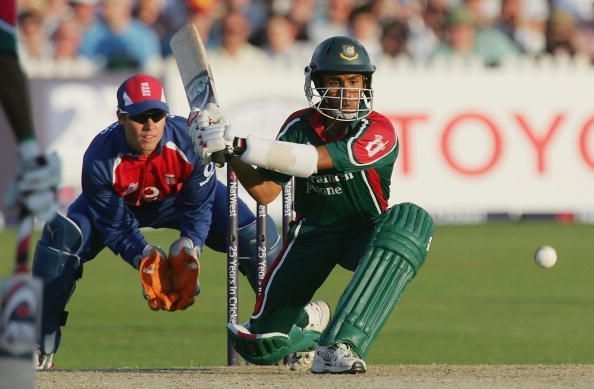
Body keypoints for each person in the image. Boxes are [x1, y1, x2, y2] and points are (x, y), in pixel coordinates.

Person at [191, 36, 434, 374]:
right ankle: (309, 320)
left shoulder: (377, 129)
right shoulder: (299, 126)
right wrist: (228, 154)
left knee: (411, 221)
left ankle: (339, 346)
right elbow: (265, 193)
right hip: (311, 235)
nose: (347, 91)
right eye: (336, 82)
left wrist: (238, 142)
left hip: (365, 234)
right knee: (260, 345)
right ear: (317, 84)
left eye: (354, 81)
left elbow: (310, 161)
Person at [30, 73, 283, 370]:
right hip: (122, 207)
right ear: (121, 117)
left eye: (156, 115)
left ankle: (285, 331)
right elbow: (114, 225)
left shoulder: (190, 141)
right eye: (139, 117)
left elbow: (197, 207)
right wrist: (143, 255)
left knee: (256, 234)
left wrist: (191, 247)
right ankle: (38, 346)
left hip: (179, 202)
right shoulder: (99, 158)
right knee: (59, 243)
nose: (149, 126)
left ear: (166, 115)